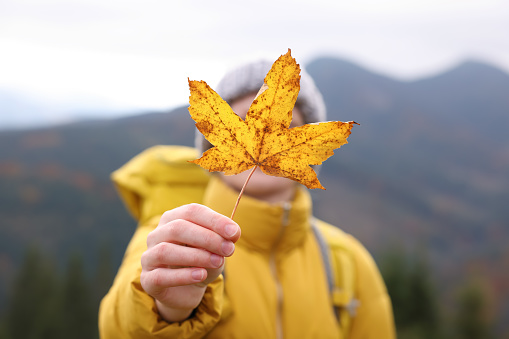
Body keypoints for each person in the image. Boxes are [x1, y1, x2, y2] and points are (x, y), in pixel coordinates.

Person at [99, 60, 395, 338]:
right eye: (241, 121)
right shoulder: (174, 236)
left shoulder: (347, 261)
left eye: (287, 125)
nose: (263, 131)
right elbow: (117, 328)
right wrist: (167, 309)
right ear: (214, 142)